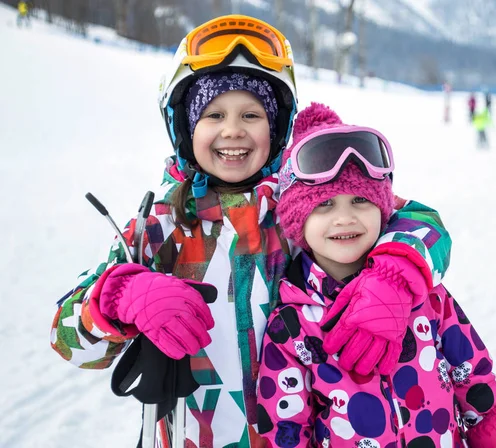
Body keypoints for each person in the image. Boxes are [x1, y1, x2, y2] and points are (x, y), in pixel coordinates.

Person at [50, 15, 453, 447]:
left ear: (277, 127)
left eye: (251, 114)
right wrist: (118, 298)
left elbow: (419, 221)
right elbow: (68, 340)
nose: (233, 130)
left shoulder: (305, 206)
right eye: (213, 114)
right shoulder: (157, 229)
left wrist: (391, 279)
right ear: (184, 127)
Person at [257, 102, 496, 447]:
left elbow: (476, 383)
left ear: (384, 209)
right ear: (297, 221)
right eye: (324, 205)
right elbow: (285, 431)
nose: (345, 218)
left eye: (360, 201)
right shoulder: (292, 323)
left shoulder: (425, 294)